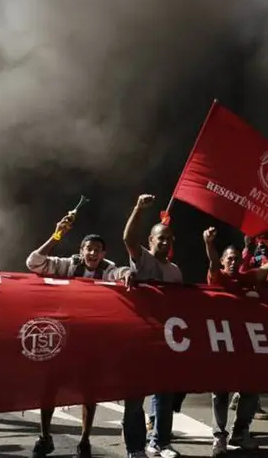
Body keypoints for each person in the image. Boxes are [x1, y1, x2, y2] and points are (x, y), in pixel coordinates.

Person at [25, 213, 131, 458]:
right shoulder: (69, 265)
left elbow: (121, 272)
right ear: (81, 250)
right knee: (48, 388)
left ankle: (84, 441)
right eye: (88, 249)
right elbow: (33, 262)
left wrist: (125, 273)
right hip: (63, 336)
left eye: (97, 250)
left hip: (91, 340)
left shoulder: (107, 269)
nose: (93, 254)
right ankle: (44, 436)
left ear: (104, 254)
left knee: (89, 392)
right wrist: (57, 235)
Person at [204, 226, 268, 455]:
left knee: (250, 389)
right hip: (221, 345)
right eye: (230, 258)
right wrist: (208, 243)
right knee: (220, 393)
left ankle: (240, 432)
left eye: (236, 258)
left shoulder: (245, 278)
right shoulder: (217, 277)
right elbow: (212, 263)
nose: (233, 262)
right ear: (224, 261)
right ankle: (219, 437)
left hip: (245, 346)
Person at [121, 194, 183, 458]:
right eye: (161, 238)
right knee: (135, 396)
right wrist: (138, 208)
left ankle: (160, 442)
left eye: (169, 238)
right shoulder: (143, 259)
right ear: (151, 241)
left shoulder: (176, 272)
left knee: (165, 395)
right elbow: (128, 239)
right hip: (139, 337)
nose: (165, 241)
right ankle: (135, 447)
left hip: (165, 338)